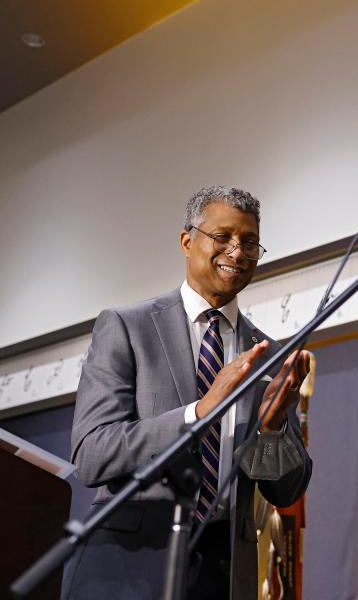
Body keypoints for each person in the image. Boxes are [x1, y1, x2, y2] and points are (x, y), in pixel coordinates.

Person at [64, 186, 313, 599]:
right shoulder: (128, 327)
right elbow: (91, 455)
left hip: (224, 571)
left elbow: (285, 491)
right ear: (187, 241)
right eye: (223, 237)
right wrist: (197, 413)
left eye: (249, 242)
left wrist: (271, 430)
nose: (237, 251)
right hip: (129, 565)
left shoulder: (269, 356)